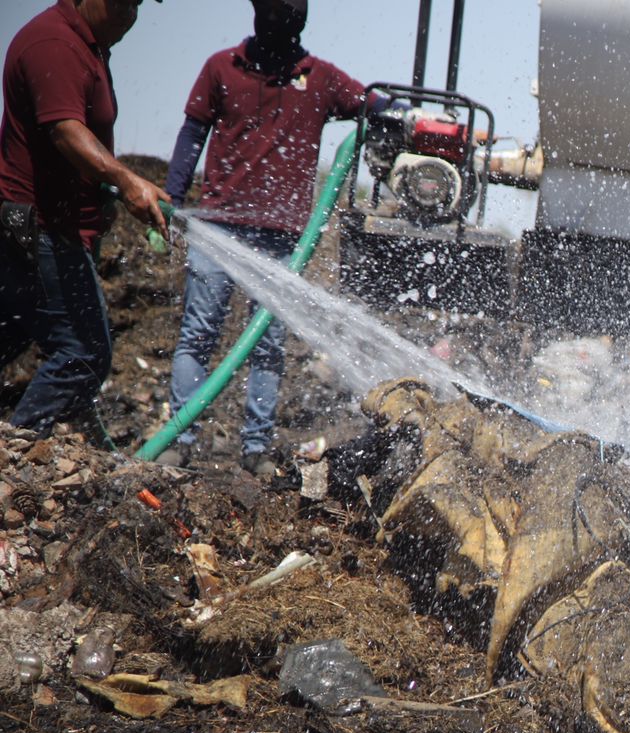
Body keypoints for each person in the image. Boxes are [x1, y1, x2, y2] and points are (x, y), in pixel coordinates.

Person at [159, 0, 373, 475]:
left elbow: (372, 105)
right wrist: (171, 197)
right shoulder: (221, 68)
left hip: (281, 239)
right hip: (217, 226)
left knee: (268, 345)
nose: (283, 25)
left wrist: (407, 115)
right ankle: (180, 438)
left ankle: (255, 450)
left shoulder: (318, 78)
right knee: (199, 335)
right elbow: (193, 132)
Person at [0, 0, 169, 436]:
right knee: (84, 355)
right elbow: (66, 132)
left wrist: (103, 195)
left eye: (136, 5)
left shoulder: (86, 45)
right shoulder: (55, 43)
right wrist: (128, 182)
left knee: (14, 332)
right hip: (40, 229)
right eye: (120, 3)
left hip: (39, 225)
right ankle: (21, 449)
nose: (128, 15)